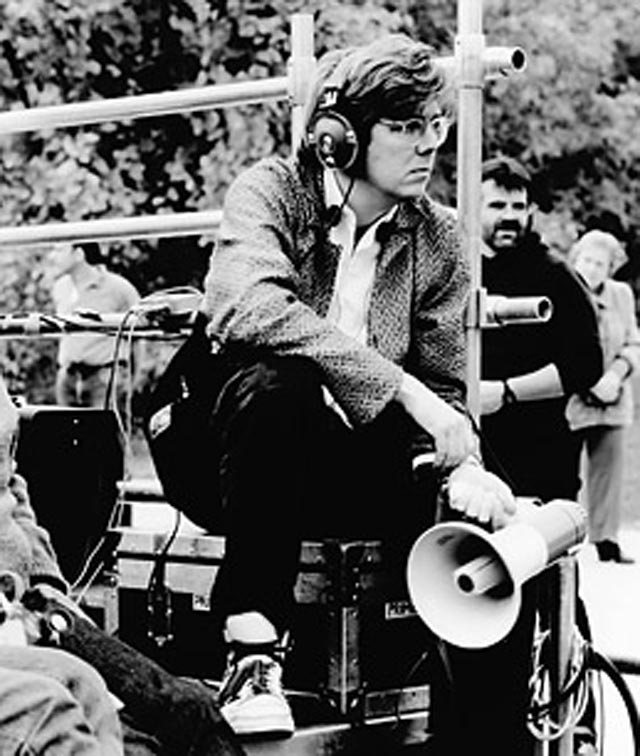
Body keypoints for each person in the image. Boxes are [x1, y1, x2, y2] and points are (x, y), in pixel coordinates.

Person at [185, 34, 515, 740]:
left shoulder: (440, 237)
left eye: (437, 124)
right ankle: (252, 654)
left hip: (342, 459)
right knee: (281, 384)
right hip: (227, 450)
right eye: (407, 126)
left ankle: (486, 736)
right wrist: (403, 390)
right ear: (340, 135)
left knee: (495, 532)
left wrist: (464, 468)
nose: (429, 144)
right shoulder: (271, 190)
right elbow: (249, 308)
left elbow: (442, 386)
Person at [0, 374, 246, 756]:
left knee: (192, 709)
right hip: (8, 623)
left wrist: (49, 587)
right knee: (123, 740)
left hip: (31, 604)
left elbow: (10, 483)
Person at [453, 156, 602, 755]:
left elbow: (585, 366)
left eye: (519, 205)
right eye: (497, 204)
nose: (510, 216)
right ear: (472, 207)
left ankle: (578, 724)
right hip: (470, 464)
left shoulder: (556, 276)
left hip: (541, 459)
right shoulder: (452, 269)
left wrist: (505, 393)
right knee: (481, 597)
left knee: (555, 594)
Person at [566, 229, 640, 563]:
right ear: (575, 258)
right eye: (587, 260)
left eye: (600, 263)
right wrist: (589, 383)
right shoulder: (563, 288)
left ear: (611, 268)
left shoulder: (621, 295)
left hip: (614, 398)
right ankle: (563, 541)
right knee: (564, 475)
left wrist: (616, 375)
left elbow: (634, 342)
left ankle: (607, 540)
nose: (592, 268)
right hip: (572, 399)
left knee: (609, 472)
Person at [48, 241, 141, 409]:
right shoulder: (60, 288)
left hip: (105, 378)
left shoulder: (119, 288)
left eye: (59, 250)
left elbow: (140, 334)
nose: (51, 256)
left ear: (79, 254)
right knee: (65, 425)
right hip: (68, 377)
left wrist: (134, 380)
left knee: (105, 426)